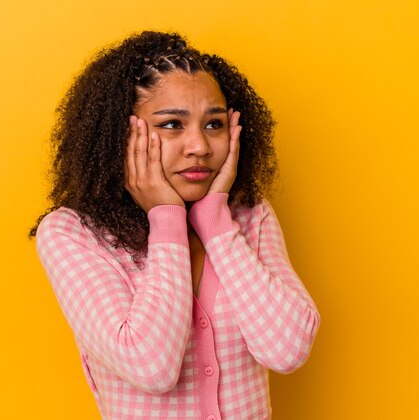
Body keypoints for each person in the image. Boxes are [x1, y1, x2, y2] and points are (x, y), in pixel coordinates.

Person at [31, 30, 321, 419]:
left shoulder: (251, 216)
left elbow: (287, 350)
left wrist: (217, 223)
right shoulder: (73, 233)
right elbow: (150, 366)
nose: (199, 146)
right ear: (122, 134)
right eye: (172, 125)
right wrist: (166, 221)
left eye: (214, 125)